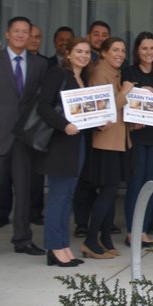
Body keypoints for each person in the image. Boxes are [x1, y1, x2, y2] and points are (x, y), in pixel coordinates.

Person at [0, 15, 48, 253]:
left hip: (24, 138)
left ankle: (22, 240)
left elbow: (40, 100)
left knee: (24, 191)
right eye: (16, 31)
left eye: (25, 31)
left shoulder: (39, 65)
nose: (20, 35)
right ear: (7, 34)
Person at [33, 37, 90, 267]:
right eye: (79, 51)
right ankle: (54, 247)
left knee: (68, 195)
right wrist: (64, 125)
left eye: (87, 52)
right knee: (58, 196)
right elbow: (43, 106)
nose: (83, 56)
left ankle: (63, 245)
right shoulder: (57, 74)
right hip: (60, 142)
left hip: (78, 142)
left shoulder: (83, 78)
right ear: (68, 54)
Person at [83, 37, 133, 259]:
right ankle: (91, 239)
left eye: (123, 50)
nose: (120, 54)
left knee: (110, 192)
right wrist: (125, 92)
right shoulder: (99, 72)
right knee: (107, 191)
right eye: (115, 50)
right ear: (103, 52)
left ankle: (105, 238)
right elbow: (103, 108)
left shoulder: (114, 72)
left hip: (117, 140)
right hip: (105, 142)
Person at [121, 32, 153, 247]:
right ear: (137, 51)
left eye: (152, 48)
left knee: (152, 183)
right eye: (144, 48)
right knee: (135, 183)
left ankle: (143, 230)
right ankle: (132, 231)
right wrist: (139, 92)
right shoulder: (129, 73)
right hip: (137, 137)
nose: (148, 52)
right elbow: (121, 100)